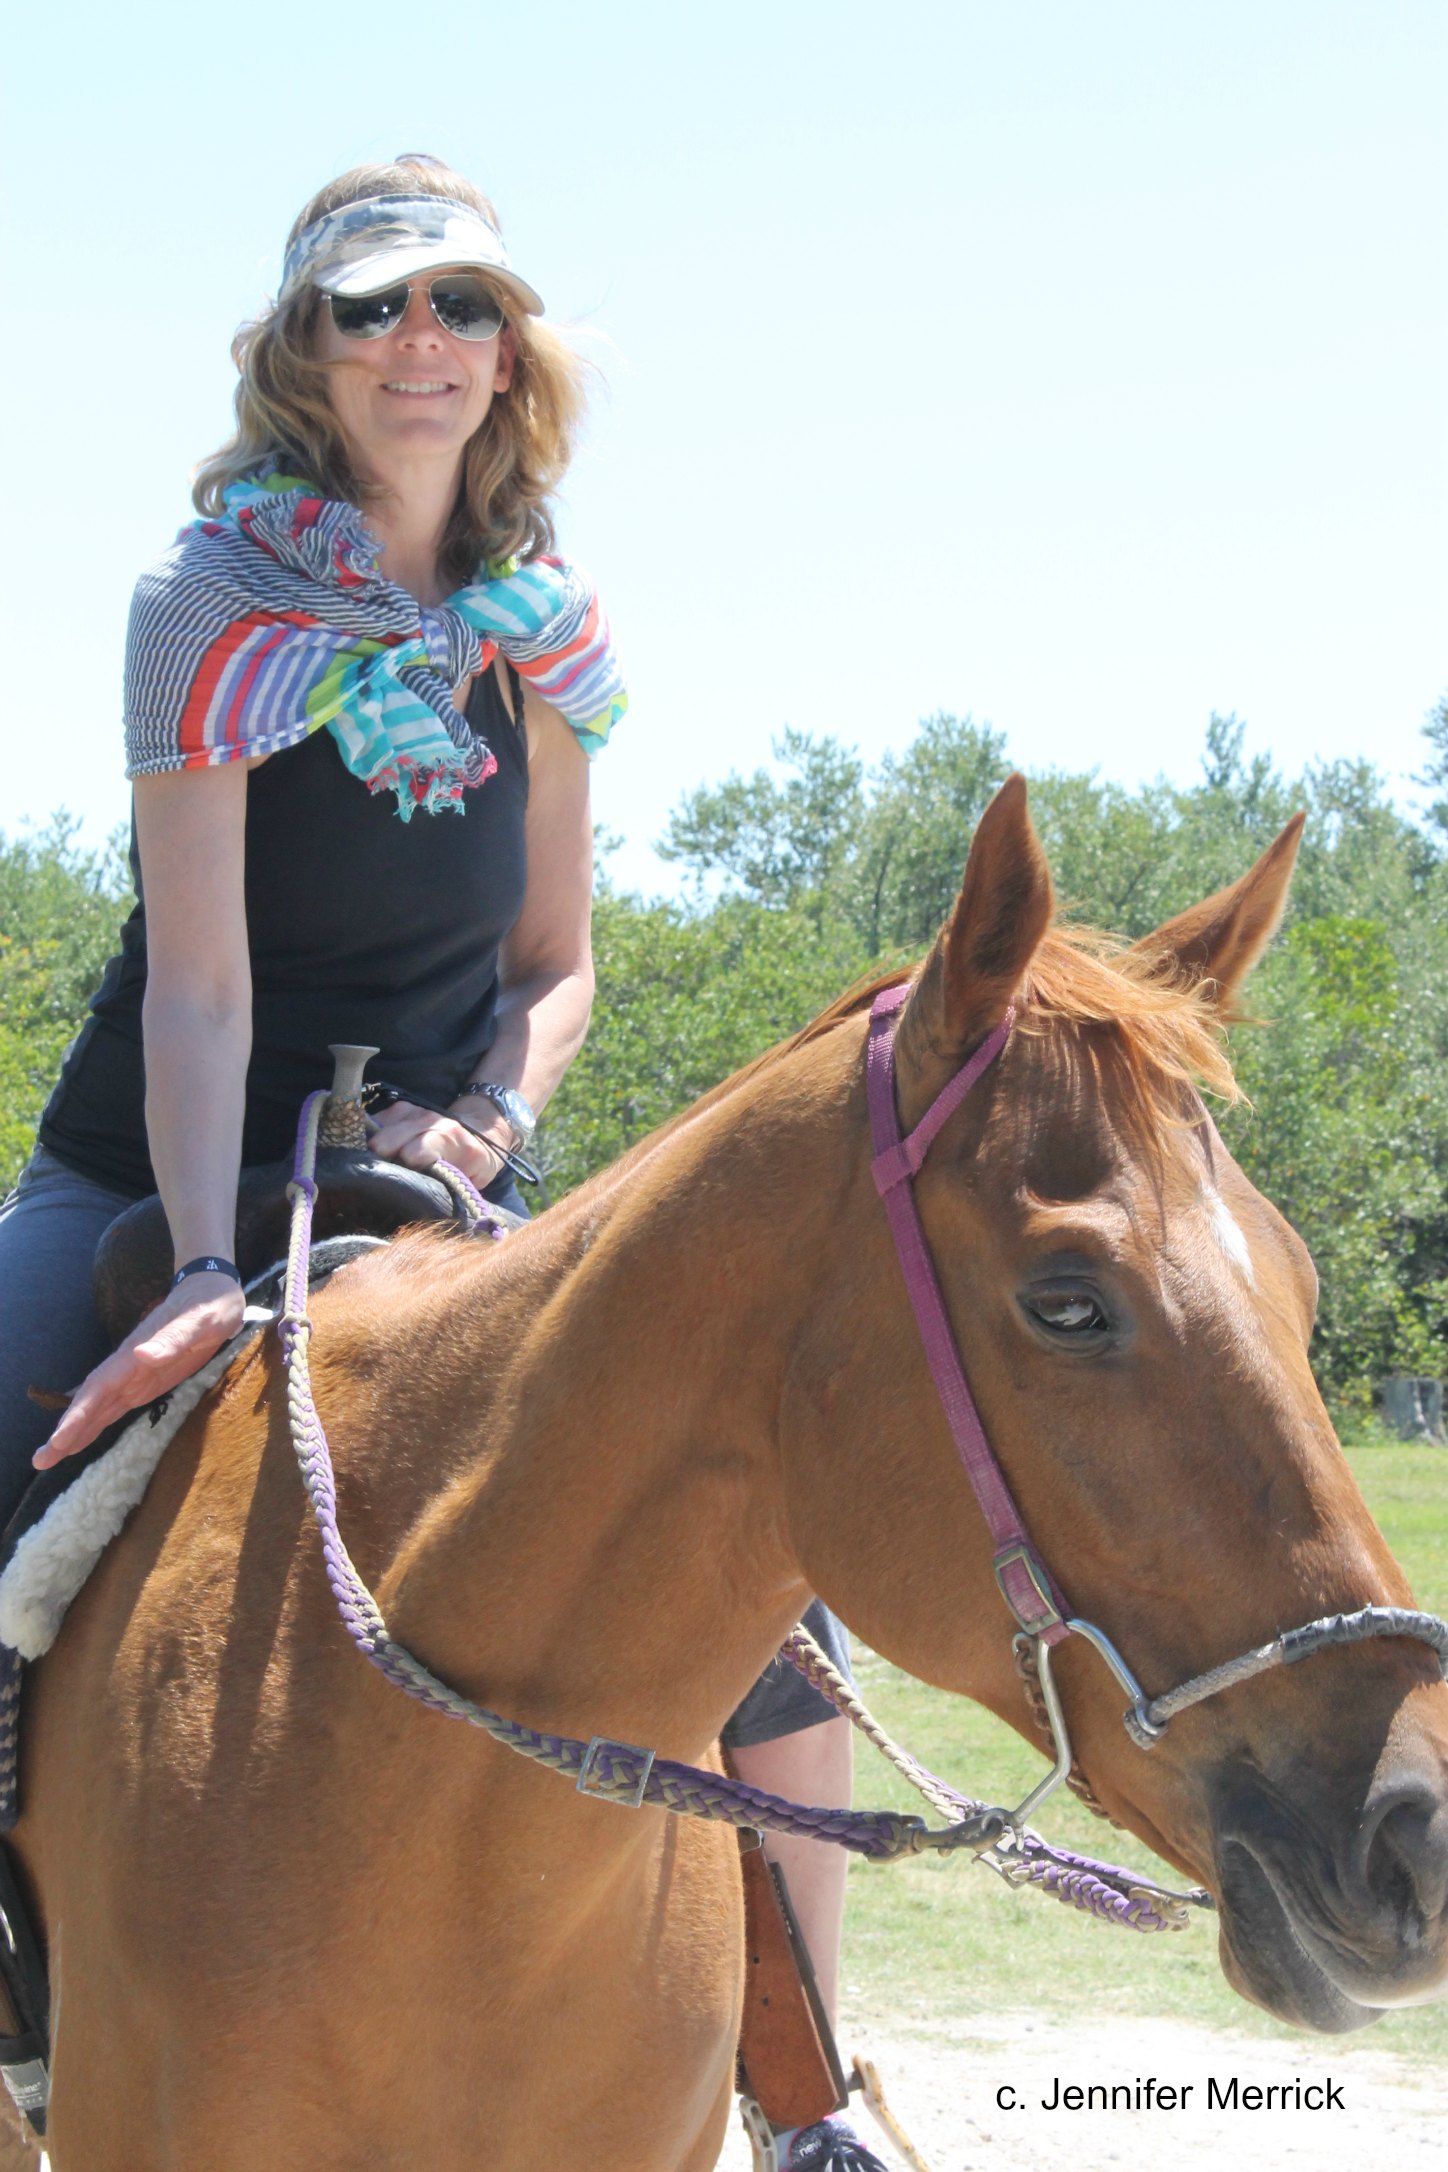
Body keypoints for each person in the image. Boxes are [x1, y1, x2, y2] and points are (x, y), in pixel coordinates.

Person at [0, 155, 883, 2172]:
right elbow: (203, 992)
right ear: (302, 351)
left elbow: (555, 973)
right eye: (373, 309)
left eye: (461, 309)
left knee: (759, 1593)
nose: (422, 346)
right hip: (161, 1160)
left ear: (513, 355)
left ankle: (803, 2092)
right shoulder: (202, 602)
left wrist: (478, 1122)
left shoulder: (540, 632)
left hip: (439, 1176)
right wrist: (215, 1267)